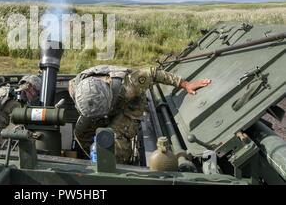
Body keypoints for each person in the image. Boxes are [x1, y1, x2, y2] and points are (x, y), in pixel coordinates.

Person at [68, 65, 212, 164]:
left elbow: (154, 73)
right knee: (80, 132)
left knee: (115, 138)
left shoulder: (129, 85)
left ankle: (120, 163)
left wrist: (185, 84)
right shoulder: (75, 89)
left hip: (131, 104)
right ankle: (97, 159)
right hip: (95, 109)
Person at [0, 75, 42, 148]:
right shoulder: (18, 107)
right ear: (30, 89)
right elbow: (13, 133)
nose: (36, 96)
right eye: (37, 93)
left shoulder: (3, 90)